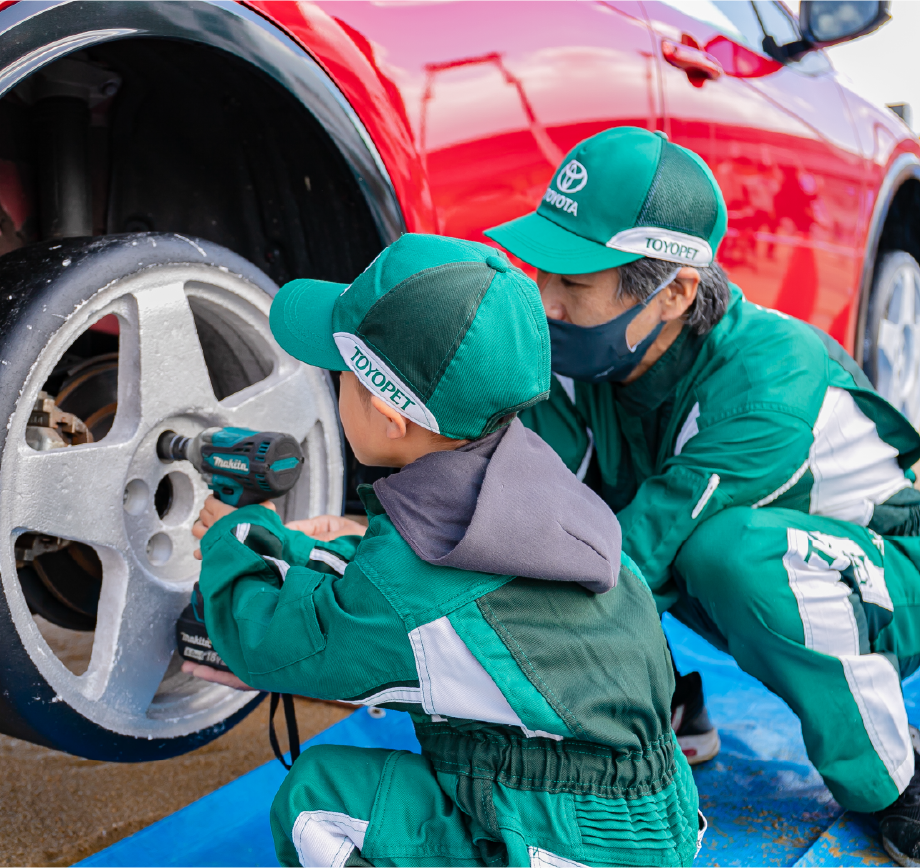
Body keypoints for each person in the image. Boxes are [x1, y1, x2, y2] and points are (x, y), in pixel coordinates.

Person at [484, 126, 920, 868]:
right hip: (705, 562)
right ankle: (662, 702)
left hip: (882, 593)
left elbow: (638, 552)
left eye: (573, 282)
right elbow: (527, 499)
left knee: (720, 551)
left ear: (675, 292)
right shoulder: (593, 351)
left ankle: (895, 776)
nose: (545, 303)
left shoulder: (767, 379)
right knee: (574, 502)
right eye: (541, 272)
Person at [184, 233, 704, 868]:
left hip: (570, 841)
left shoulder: (406, 586)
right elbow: (401, 593)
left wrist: (230, 540)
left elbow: (275, 646)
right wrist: (289, 548)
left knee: (319, 803)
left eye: (339, 375)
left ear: (386, 414)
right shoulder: (539, 489)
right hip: (649, 818)